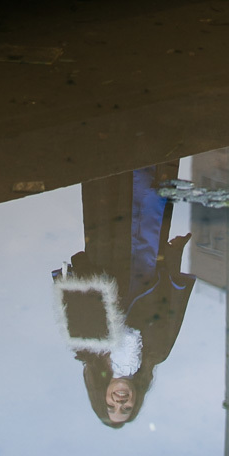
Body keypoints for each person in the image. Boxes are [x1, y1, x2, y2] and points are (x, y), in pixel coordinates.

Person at [53, 164, 194, 427]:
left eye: (112, 405)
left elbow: (77, 285)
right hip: (148, 259)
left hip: (107, 252)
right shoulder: (156, 354)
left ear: (101, 395)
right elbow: (170, 307)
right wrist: (173, 256)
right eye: (126, 407)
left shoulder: (86, 348)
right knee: (152, 193)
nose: (120, 401)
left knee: (108, 190)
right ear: (136, 399)